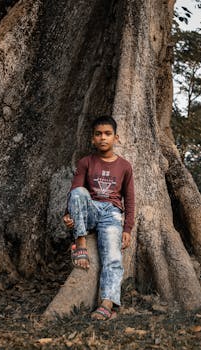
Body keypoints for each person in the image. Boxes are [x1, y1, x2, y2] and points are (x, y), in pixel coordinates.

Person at [63, 116, 135, 320]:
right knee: (78, 192)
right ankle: (80, 243)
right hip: (91, 209)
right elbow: (74, 190)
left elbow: (129, 200)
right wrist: (68, 215)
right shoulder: (86, 162)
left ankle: (107, 303)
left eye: (107, 134)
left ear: (116, 138)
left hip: (111, 214)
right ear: (93, 138)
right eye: (98, 134)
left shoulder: (125, 166)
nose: (103, 138)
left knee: (113, 258)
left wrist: (127, 228)